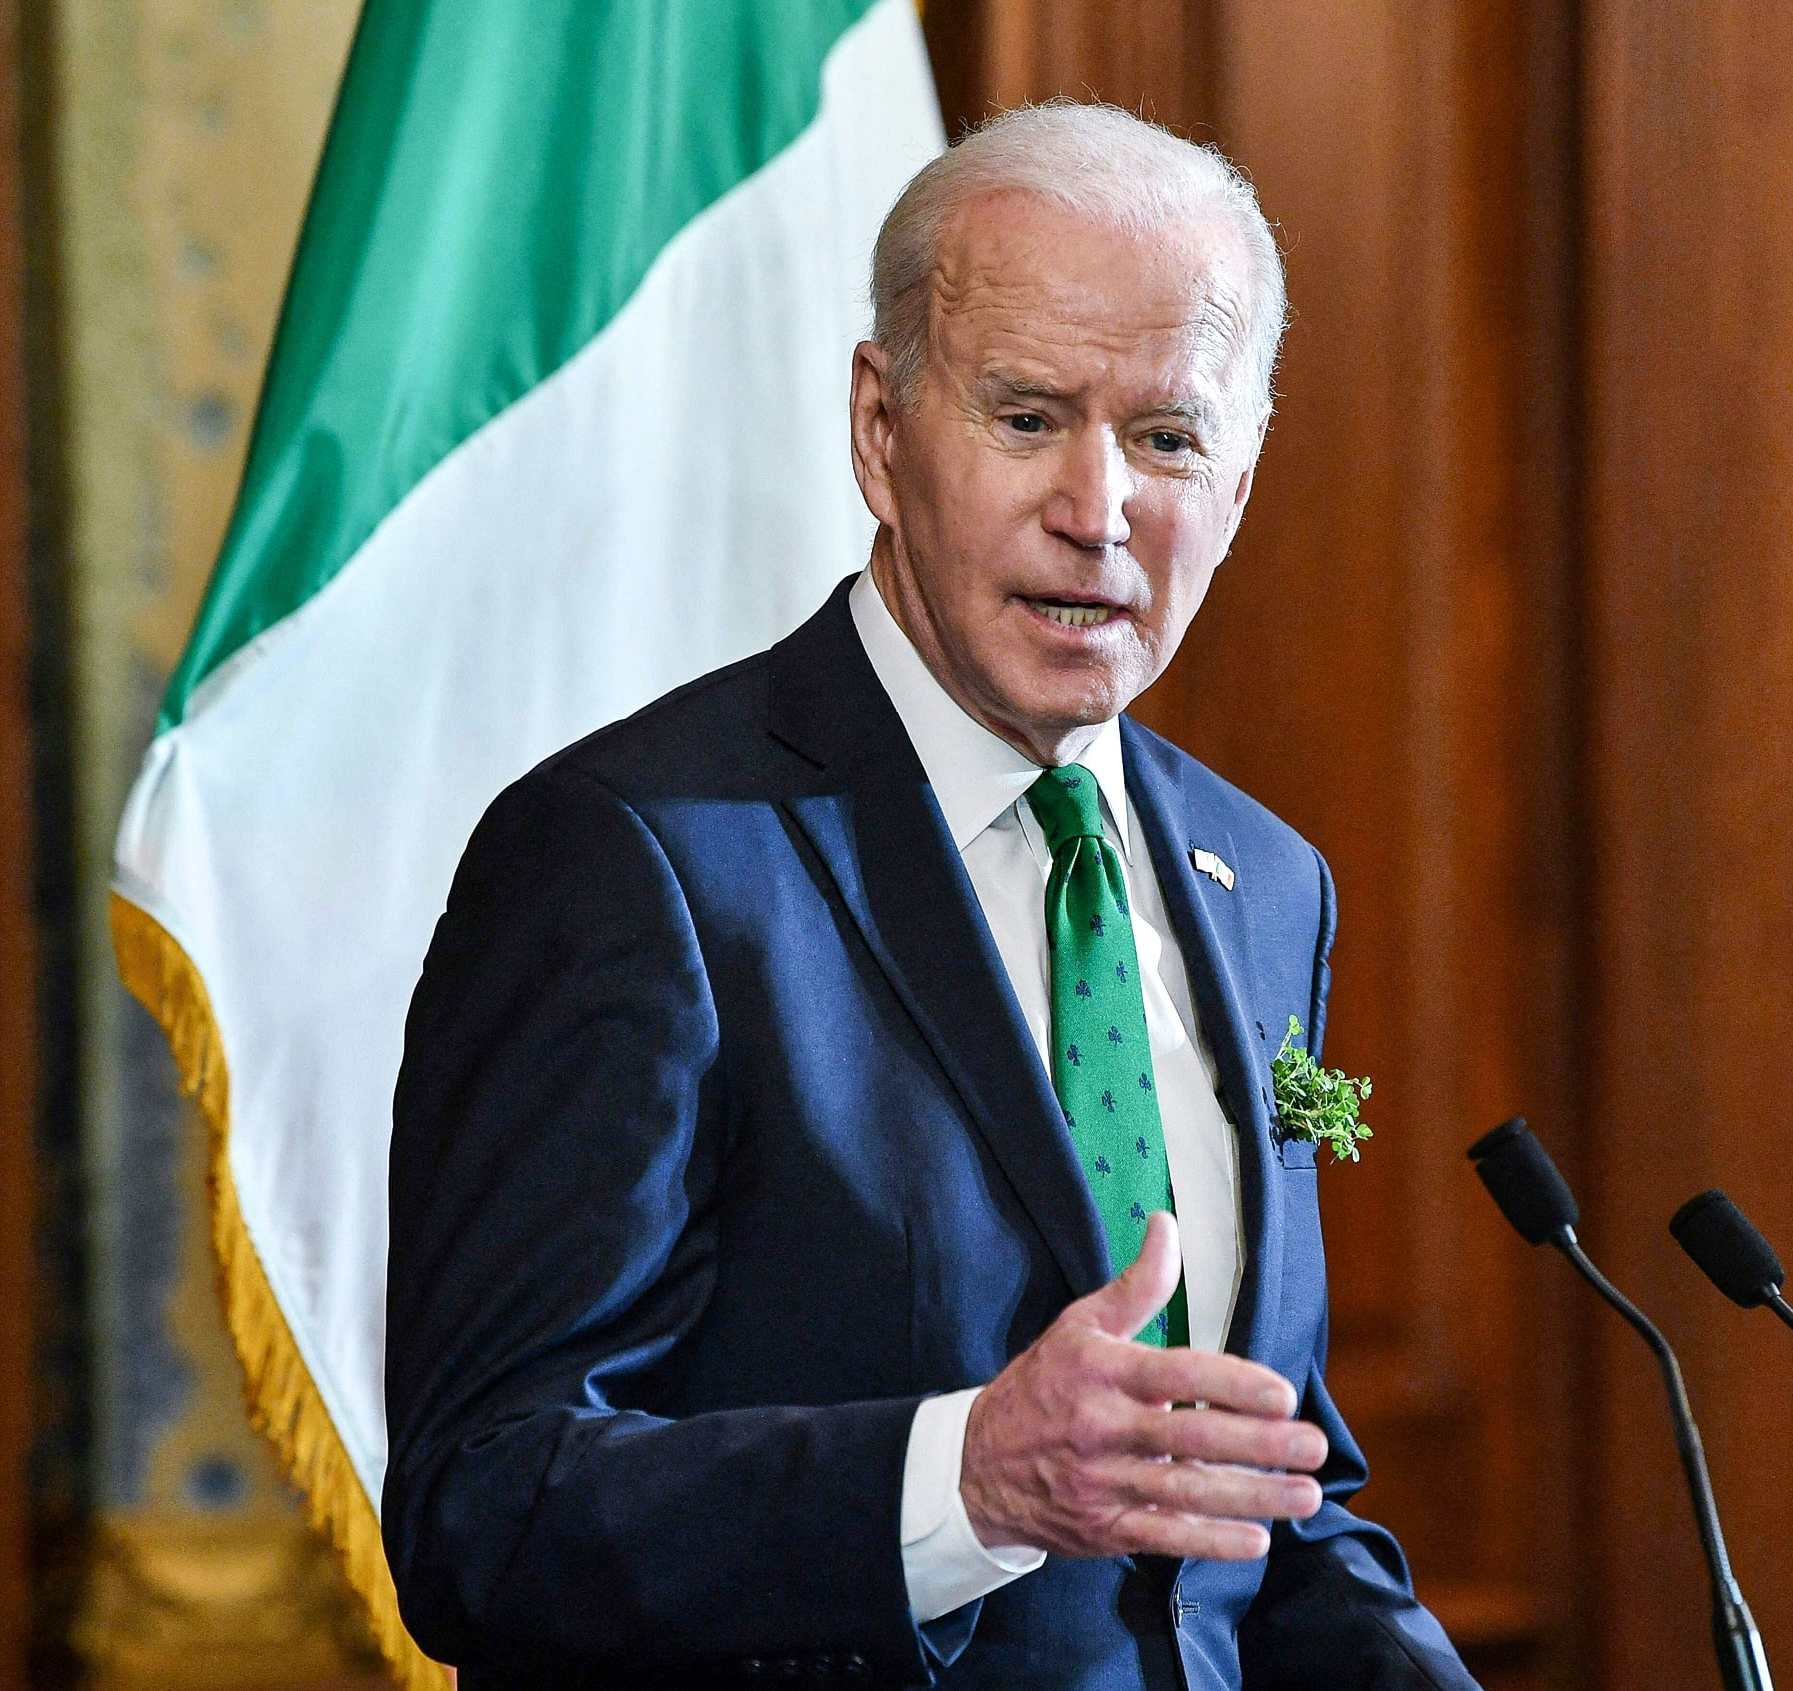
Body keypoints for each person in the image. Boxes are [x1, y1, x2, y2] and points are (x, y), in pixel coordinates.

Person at [383, 102, 1477, 1690]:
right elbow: (484, 1512)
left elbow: (1256, 1517)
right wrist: (959, 1480)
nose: (1098, 510)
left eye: (1168, 439)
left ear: (1239, 483)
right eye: (1028, 417)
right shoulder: (639, 861)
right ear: (881, 432)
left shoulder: (1267, 884)